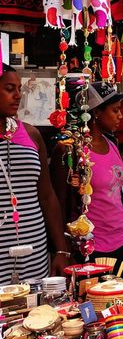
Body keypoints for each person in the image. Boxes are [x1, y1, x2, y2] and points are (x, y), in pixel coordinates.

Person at [52, 83, 123, 275]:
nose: (120, 116)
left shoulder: (112, 143)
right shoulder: (70, 149)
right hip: (91, 247)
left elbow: (121, 189)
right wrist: (62, 249)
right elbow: (58, 202)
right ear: (97, 112)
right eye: (115, 110)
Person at [0, 65, 70, 284]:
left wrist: (61, 250)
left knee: (37, 313)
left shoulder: (31, 135)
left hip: (34, 248)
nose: (18, 95)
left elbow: (47, 195)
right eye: (9, 89)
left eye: (19, 88)